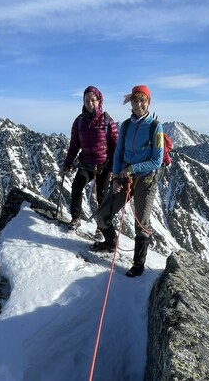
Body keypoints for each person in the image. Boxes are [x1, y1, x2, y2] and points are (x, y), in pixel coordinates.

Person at [92, 85, 164, 277]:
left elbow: (156, 161)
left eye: (142, 100)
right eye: (135, 100)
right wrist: (115, 177)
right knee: (102, 215)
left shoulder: (155, 127)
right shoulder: (126, 125)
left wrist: (132, 169)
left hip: (146, 179)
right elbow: (118, 153)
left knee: (141, 223)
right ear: (131, 103)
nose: (139, 104)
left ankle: (138, 265)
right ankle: (110, 242)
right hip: (124, 175)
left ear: (148, 102)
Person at [61, 86, 119, 231]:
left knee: (102, 197)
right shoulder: (79, 122)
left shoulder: (107, 121)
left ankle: (101, 227)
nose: (90, 103)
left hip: (104, 166)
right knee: (76, 187)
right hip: (86, 163)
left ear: (99, 101)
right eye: (87, 101)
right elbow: (74, 145)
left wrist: (112, 168)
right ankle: (75, 218)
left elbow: (116, 147)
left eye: (93, 100)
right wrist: (67, 164)